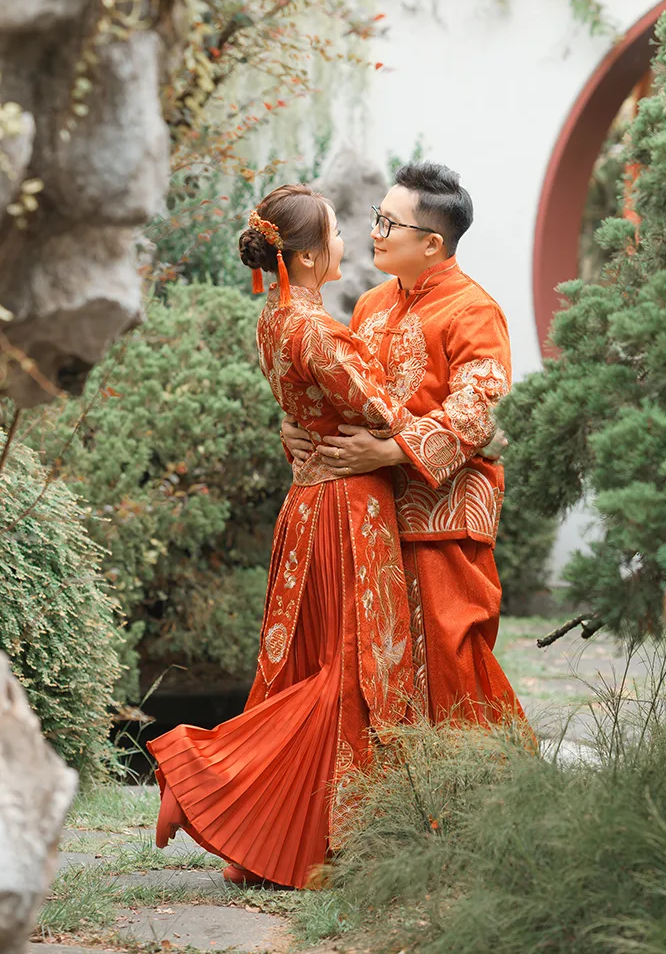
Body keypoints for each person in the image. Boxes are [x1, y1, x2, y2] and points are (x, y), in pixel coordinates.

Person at [149, 185, 414, 890]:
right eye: (333, 234)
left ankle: (286, 840)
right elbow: (384, 412)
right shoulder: (318, 331)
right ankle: (201, 770)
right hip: (346, 509)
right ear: (302, 256)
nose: (345, 244)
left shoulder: (273, 321)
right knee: (347, 674)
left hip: (306, 504)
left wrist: (303, 430)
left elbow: (305, 402)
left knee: (304, 668)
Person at [284, 161, 524, 728]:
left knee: (451, 662)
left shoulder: (475, 310)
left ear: (433, 243)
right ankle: (392, 806)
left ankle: (481, 797)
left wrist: (390, 452)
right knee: (372, 668)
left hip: (441, 521)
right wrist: (300, 429)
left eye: (388, 223)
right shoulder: (371, 305)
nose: (374, 232)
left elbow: (481, 408)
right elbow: (343, 394)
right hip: (369, 517)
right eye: (376, 218)